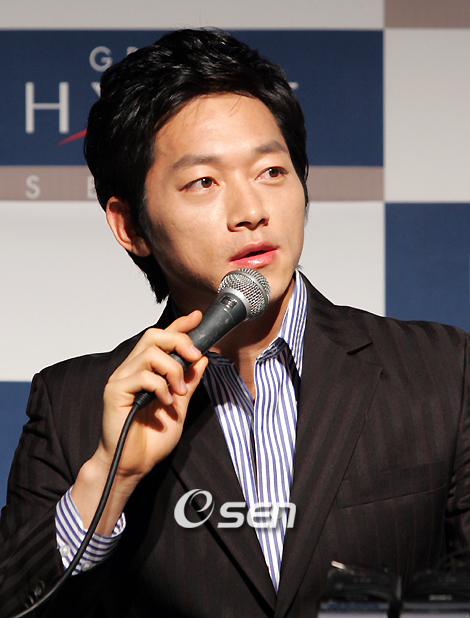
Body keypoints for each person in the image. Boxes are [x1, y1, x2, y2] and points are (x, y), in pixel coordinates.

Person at [1, 28, 470, 618]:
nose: (251, 211)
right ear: (131, 226)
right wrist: (109, 479)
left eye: (271, 171)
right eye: (204, 182)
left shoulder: (443, 370)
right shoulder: (72, 406)